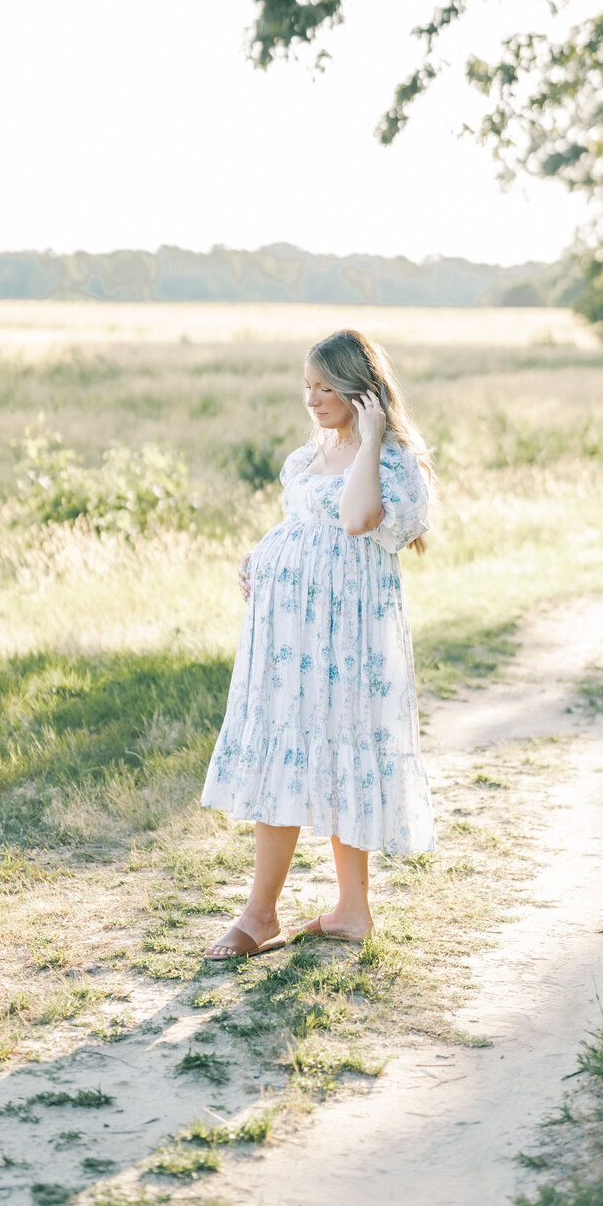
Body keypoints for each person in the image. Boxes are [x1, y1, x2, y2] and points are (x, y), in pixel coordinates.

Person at [200, 328, 436, 959]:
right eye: (307, 386)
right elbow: (305, 521)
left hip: (346, 634)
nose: (313, 399)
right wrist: (261, 555)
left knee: (335, 747)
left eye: (326, 387)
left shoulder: (388, 462)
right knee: (290, 747)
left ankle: (297, 914)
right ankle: (299, 912)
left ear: (362, 393)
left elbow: (357, 520)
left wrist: (374, 435)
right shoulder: (312, 454)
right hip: (290, 634)